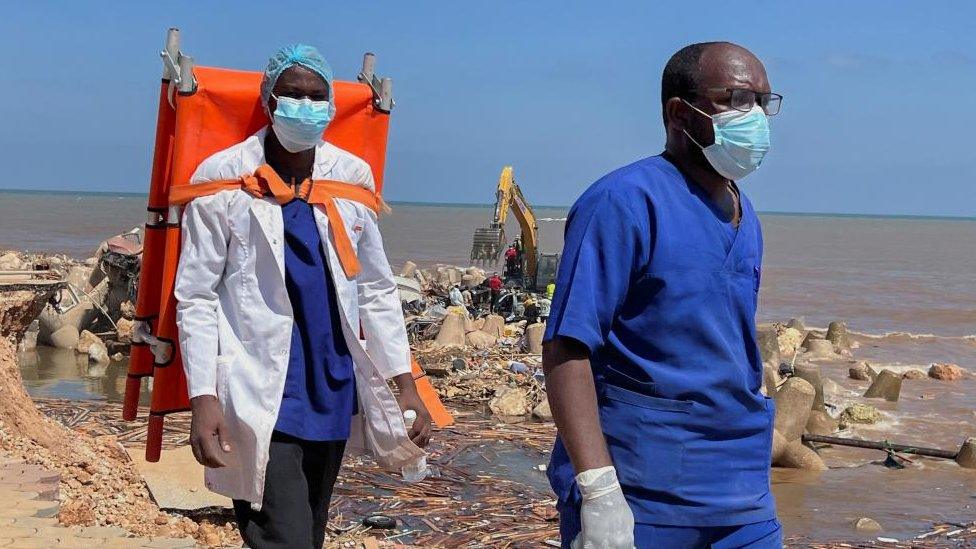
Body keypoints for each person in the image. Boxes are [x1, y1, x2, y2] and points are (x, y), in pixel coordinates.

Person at [175, 45, 431, 549]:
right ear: (269, 102)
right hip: (257, 385)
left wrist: (405, 384)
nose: (304, 105)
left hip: (332, 384)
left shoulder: (350, 177)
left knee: (309, 532)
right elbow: (197, 296)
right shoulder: (223, 179)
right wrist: (202, 400)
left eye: (316, 96)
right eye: (292, 94)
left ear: (332, 107)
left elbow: (376, 289)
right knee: (283, 537)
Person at [543, 41, 782, 548]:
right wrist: (599, 491)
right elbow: (567, 346)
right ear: (680, 112)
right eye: (737, 99)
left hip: (741, 489)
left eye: (764, 102)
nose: (756, 116)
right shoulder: (623, 202)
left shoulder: (743, 209)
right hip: (643, 490)